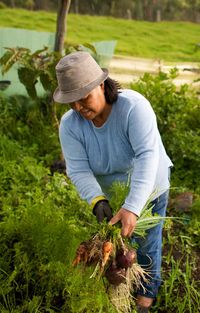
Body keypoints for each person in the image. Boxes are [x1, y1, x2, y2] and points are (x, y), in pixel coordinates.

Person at [53, 51, 173, 313]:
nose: (78, 107)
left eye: (84, 97)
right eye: (71, 102)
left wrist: (132, 207)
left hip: (149, 184)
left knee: (146, 242)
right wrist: (97, 200)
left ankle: (145, 298)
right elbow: (78, 169)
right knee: (117, 247)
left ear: (101, 84)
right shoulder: (70, 125)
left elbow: (147, 156)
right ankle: (122, 286)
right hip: (112, 191)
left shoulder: (133, 108)